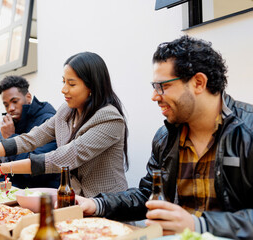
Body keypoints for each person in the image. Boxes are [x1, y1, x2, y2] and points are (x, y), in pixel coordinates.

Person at [76, 36, 253, 239]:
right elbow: (148, 194)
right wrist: (97, 204)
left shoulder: (248, 129)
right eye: (154, 86)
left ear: (198, 82)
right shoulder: (165, 137)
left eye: (163, 86)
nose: (154, 96)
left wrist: (199, 225)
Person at [0, 52, 129, 197]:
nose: (64, 89)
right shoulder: (66, 112)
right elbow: (31, 139)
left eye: (71, 84)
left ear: (92, 86)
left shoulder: (109, 118)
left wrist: (1, 169)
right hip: (75, 203)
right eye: (63, 82)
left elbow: (61, 158)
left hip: (107, 207)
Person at [0, 76, 59, 188]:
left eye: (15, 101)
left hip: (46, 194)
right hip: (21, 191)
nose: (10, 108)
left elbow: (37, 168)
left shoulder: (47, 121)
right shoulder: (16, 123)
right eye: (6, 105)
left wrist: (11, 138)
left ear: (28, 97)